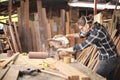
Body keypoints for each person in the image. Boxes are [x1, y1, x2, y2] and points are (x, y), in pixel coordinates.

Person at [57, 16, 119, 80]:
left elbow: (82, 46)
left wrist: (63, 49)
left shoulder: (97, 33)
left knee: (96, 77)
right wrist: (68, 35)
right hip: (111, 56)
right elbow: (82, 34)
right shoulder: (94, 26)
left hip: (109, 59)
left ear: (87, 26)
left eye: (82, 28)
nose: (81, 30)